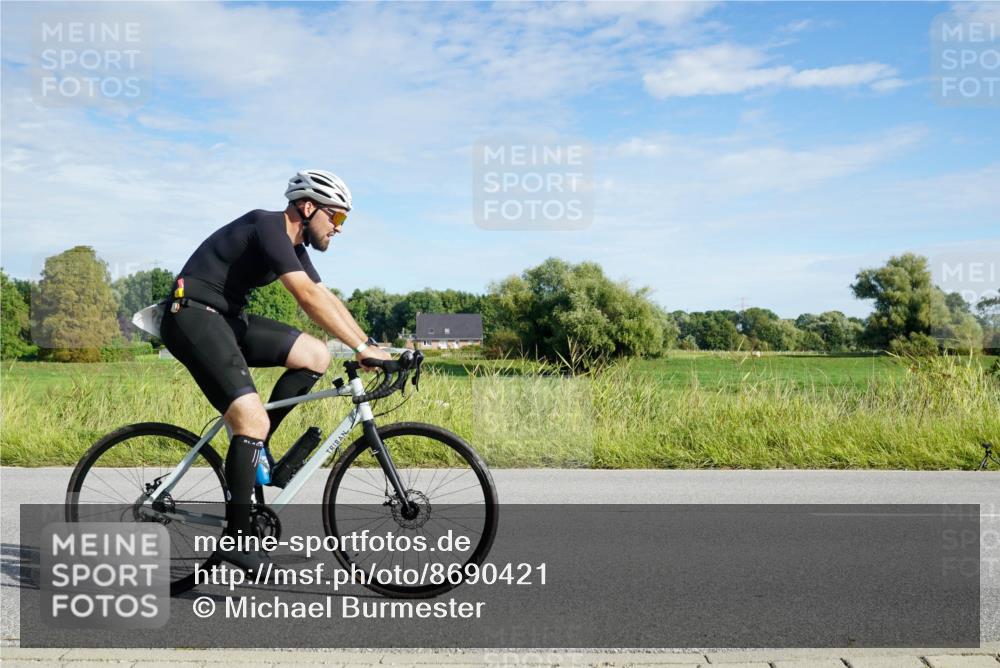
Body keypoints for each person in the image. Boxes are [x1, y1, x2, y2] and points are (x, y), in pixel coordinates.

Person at [160, 169, 390, 571]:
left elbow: (322, 295)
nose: (339, 229)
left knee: (316, 355)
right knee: (249, 417)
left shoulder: (296, 246)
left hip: (228, 319)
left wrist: (368, 345)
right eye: (337, 218)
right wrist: (359, 347)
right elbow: (304, 297)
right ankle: (236, 535)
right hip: (191, 315)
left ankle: (258, 446)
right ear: (308, 207)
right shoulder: (268, 225)